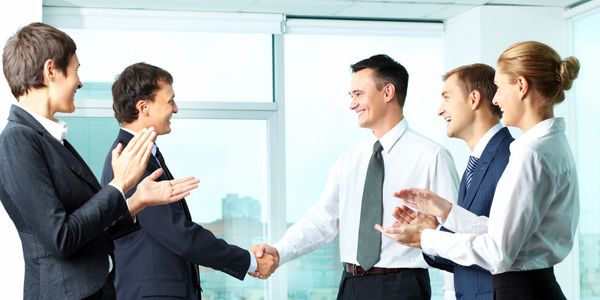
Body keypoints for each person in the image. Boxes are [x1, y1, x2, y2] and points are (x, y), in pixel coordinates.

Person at [0, 22, 199, 300]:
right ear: (50, 71)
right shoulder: (17, 141)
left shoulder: (53, 140)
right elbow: (61, 238)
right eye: (75, 69)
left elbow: (91, 231)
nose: (79, 82)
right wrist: (119, 185)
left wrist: (138, 200)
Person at [377, 41, 580, 300]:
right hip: (533, 286)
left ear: (521, 86)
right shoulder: (549, 144)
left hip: (519, 290)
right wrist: (447, 212)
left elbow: (497, 251)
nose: (495, 99)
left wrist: (427, 238)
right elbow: (502, 232)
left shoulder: (530, 153)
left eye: (498, 88)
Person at [252, 54, 459, 299]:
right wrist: (278, 250)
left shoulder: (432, 157)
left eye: (358, 94)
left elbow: (452, 232)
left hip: (402, 286)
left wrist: (454, 293)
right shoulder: (349, 160)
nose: (352, 104)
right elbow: (321, 220)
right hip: (351, 285)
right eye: (351, 96)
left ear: (388, 92)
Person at [101, 62, 278, 300]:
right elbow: (178, 234)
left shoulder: (144, 154)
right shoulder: (131, 160)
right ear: (144, 107)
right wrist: (248, 261)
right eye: (169, 101)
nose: (175, 109)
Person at [396, 63, 513, 300]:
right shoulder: (477, 162)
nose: (440, 110)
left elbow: (502, 249)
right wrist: (431, 232)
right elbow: (472, 246)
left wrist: (429, 237)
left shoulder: (510, 157)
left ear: (473, 99)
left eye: (447, 98)